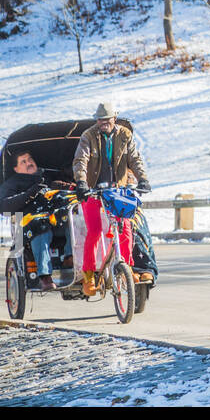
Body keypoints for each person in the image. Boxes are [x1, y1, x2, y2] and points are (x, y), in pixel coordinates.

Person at [72, 101, 151, 294]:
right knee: (95, 230)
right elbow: (81, 160)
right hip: (93, 190)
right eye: (100, 119)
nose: (103, 123)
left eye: (107, 119)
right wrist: (81, 182)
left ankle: (127, 268)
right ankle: (89, 275)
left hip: (118, 190)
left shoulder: (124, 134)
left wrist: (142, 179)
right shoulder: (88, 136)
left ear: (114, 118)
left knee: (124, 228)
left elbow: (134, 158)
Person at [0, 150, 74, 290]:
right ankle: (45, 276)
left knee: (75, 218)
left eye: (30, 159)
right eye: (23, 162)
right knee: (40, 226)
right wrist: (30, 194)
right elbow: (3, 206)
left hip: (57, 219)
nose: (28, 163)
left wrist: (64, 185)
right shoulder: (12, 183)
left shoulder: (49, 176)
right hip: (31, 223)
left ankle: (71, 259)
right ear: (16, 168)